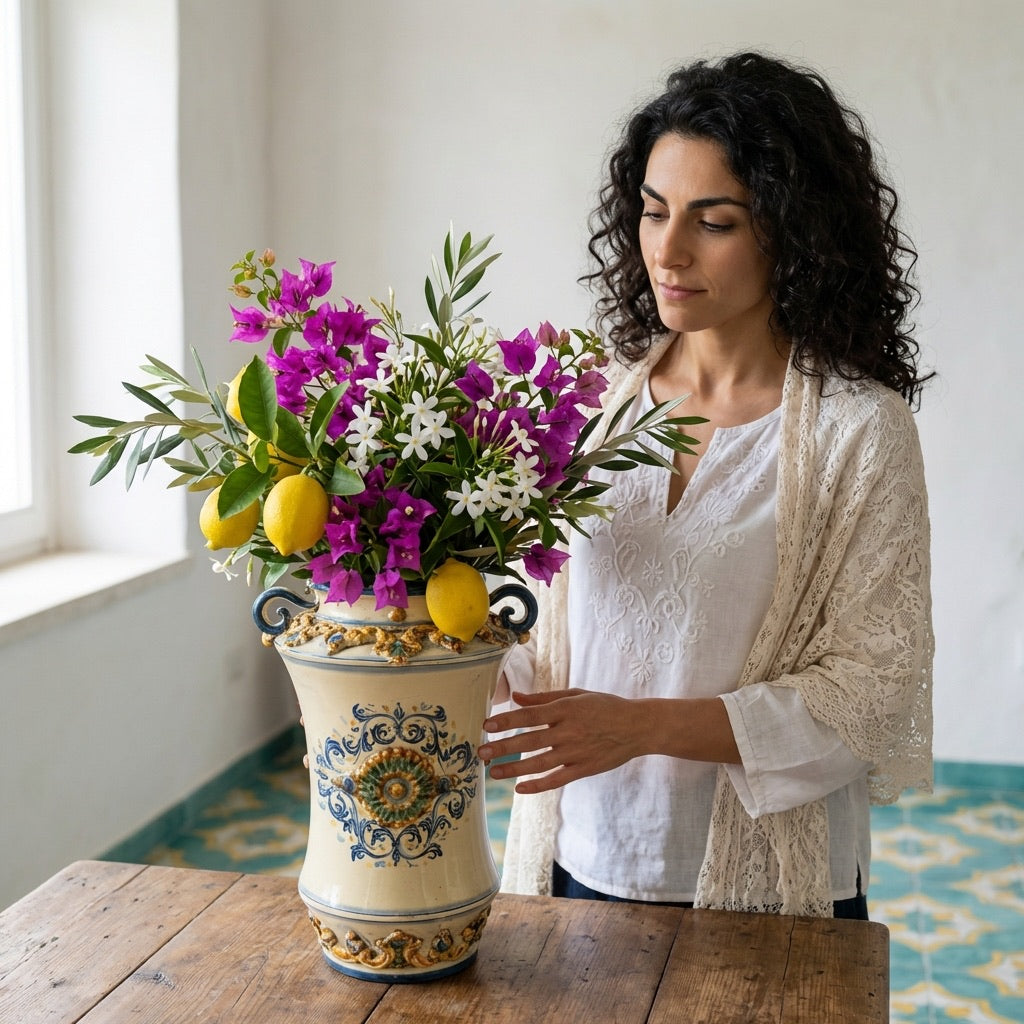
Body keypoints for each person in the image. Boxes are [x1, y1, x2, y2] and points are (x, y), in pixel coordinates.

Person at [477, 51, 934, 919]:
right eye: (653, 213)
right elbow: (572, 635)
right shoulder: (591, 400)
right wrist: (488, 673)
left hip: (765, 892)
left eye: (713, 221)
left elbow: (871, 689)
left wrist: (641, 726)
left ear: (792, 230)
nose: (669, 251)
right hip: (580, 861)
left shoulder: (859, 430)